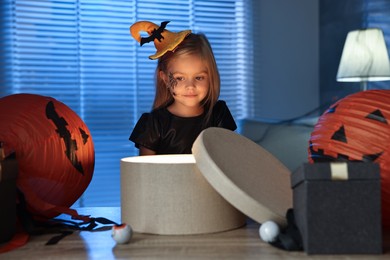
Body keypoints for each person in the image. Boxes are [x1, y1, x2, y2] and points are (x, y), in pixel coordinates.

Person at [129, 20, 237, 155]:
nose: (190, 86)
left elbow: (229, 161)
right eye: (180, 78)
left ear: (210, 76)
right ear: (165, 79)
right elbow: (145, 172)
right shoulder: (153, 125)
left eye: (199, 77)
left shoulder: (218, 116)